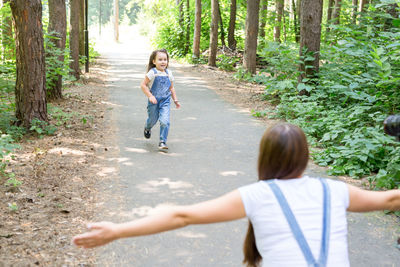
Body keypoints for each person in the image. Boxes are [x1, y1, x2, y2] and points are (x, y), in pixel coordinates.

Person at [73, 123, 400, 267]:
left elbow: (182, 215)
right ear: (305, 156)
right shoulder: (335, 190)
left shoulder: (258, 195)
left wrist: (117, 231)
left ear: (265, 157)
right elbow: (389, 199)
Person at [140, 49, 180, 151]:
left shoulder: (169, 73)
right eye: (160, 59)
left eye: (165, 60)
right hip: (154, 101)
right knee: (152, 120)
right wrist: (150, 96)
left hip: (165, 101)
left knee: (165, 121)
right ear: (154, 61)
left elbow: (171, 88)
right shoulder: (152, 73)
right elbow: (143, 85)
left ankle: (162, 141)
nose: (163, 62)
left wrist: (175, 100)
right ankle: (147, 128)